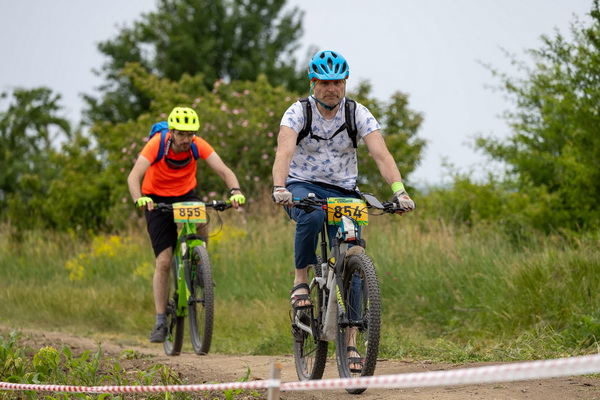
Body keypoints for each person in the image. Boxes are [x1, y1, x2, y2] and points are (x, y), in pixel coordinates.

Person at [271, 50, 416, 371]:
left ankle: (350, 343)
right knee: (312, 215)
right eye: (324, 82)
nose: (331, 89)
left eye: (337, 82)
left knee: (353, 256)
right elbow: (284, 151)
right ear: (313, 83)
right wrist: (280, 187)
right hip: (302, 186)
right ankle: (300, 279)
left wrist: (399, 191)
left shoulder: (357, 113)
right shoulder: (298, 112)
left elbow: (381, 154)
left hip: (344, 191)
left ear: (345, 83)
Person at [128, 106, 246, 343]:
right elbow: (134, 176)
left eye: (190, 134)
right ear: (171, 132)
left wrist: (236, 191)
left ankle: (200, 265)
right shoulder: (156, 145)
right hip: (156, 199)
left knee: (202, 217)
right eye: (181, 133)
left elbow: (224, 171)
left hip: (185, 195)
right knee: (163, 261)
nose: (186, 139)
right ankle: (160, 321)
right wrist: (139, 199)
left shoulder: (197, 145)